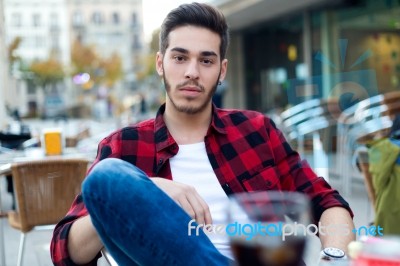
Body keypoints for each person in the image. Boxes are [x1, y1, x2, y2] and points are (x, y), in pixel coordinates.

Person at [51, 3, 355, 265]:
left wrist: (333, 257)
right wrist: (148, 190)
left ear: (222, 70)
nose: (192, 72)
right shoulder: (124, 146)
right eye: (180, 57)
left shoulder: (256, 131)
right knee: (108, 177)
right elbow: (65, 251)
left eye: (206, 60)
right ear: (161, 63)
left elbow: (326, 201)